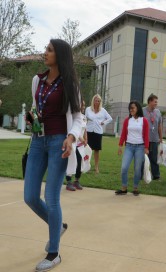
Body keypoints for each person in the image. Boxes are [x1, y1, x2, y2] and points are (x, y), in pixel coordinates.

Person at [24, 39, 82, 272]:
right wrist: (32, 117)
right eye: (46, 49)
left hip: (59, 142)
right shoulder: (37, 80)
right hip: (38, 141)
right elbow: (38, 106)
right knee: (29, 196)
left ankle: (54, 253)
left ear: (60, 55)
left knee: (52, 197)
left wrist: (71, 137)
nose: (44, 52)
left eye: (49, 50)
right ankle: (57, 226)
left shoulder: (70, 84)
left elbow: (78, 117)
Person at [116, 101, 149, 195]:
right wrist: (120, 146)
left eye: (133, 108)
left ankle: (135, 188)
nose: (131, 110)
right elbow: (123, 133)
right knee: (124, 168)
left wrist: (146, 148)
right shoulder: (127, 120)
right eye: (130, 108)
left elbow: (146, 135)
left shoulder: (144, 120)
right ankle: (124, 188)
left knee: (137, 169)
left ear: (137, 108)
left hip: (140, 147)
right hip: (129, 147)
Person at [85, 94, 112, 173]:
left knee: (97, 150)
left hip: (98, 132)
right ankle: (87, 166)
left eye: (99, 101)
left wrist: (104, 123)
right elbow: (85, 118)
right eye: (96, 100)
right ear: (93, 100)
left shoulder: (103, 110)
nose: (97, 102)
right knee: (88, 149)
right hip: (89, 131)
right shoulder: (88, 109)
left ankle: (96, 167)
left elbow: (110, 118)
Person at [65, 100, 88, 191]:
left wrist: (86, 139)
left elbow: (85, 129)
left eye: (84, 105)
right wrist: (81, 139)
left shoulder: (84, 117)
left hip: (81, 145)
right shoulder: (73, 116)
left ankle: (77, 180)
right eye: (82, 105)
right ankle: (69, 181)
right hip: (74, 143)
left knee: (81, 162)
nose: (83, 107)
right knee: (73, 161)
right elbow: (75, 129)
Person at [143, 94, 163, 180]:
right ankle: (140, 175)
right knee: (142, 158)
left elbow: (159, 125)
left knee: (154, 158)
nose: (156, 103)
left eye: (156, 102)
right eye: (155, 102)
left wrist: (161, 138)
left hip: (154, 139)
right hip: (144, 139)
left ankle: (156, 175)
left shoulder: (158, 112)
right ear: (150, 101)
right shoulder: (142, 111)